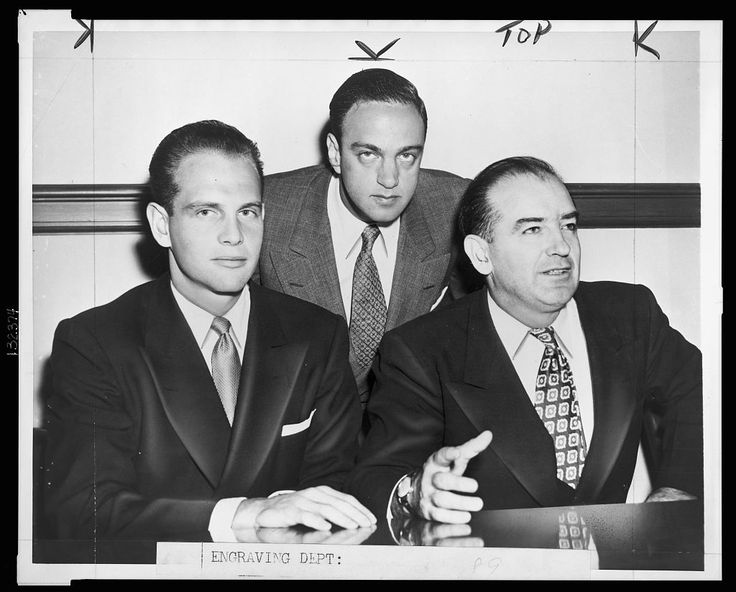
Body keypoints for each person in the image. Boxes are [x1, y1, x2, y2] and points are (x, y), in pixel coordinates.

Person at [42, 120, 376, 542]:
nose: (234, 236)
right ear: (162, 225)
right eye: (206, 212)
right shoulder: (95, 343)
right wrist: (245, 515)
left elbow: (338, 492)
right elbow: (81, 511)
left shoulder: (319, 334)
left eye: (248, 212)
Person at [347, 156, 703, 523]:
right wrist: (415, 493)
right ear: (481, 255)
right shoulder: (421, 351)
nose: (562, 246)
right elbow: (376, 477)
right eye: (533, 230)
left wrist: (680, 485)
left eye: (569, 225)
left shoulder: (630, 314)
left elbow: (701, 393)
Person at [258, 68, 471, 413]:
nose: (390, 179)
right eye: (368, 154)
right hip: (301, 425)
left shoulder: (452, 204)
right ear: (335, 152)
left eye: (407, 156)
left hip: (407, 427)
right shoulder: (268, 211)